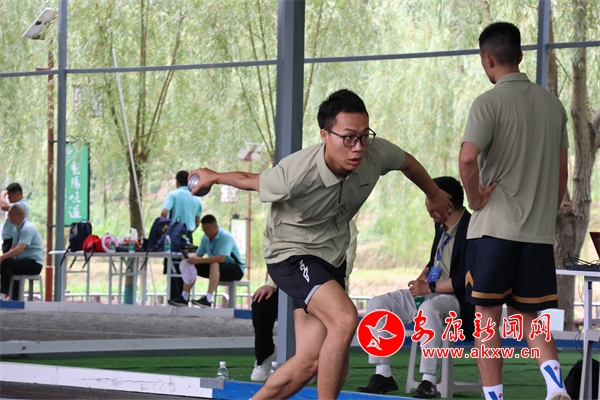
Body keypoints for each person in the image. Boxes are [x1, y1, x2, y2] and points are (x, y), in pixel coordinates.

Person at [189, 89, 453, 399]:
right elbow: (250, 179)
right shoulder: (295, 173)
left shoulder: (375, 152)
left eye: (364, 136)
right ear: (325, 135)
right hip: (291, 253)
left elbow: (407, 162)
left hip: (331, 256)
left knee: (309, 361)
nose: (358, 147)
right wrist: (213, 176)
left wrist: (434, 192)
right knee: (344, 318)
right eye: (348, 138)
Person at [459, 22, 570, 400]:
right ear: (521, 55)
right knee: (529, 318)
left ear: (487, 59)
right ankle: (555, 385)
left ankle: (494, 397)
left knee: (487, 320)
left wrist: (475, 199)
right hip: (537, 235)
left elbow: (467, 158)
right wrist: (545, 214)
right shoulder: (553, 106)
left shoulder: (488, 103)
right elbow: (562, 174)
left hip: (494, 232)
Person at [356, 176, 475, 398]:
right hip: (431, 291)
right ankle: (383, 374)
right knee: (378, 304)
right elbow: (437, 260)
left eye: (430, 197)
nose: (427, 207)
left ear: (447, 201)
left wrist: (430, 287)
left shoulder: (472, 227)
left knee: (428, 309)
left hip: (456, 300)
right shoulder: (441, 225)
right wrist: (424, 275)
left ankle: (428, 380)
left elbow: (468, 278)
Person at [250, 219, 359, 382]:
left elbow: (347, 260)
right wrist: (270, 284)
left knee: (327, 311)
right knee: (261, 303)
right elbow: (281, 253)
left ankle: (327, 362)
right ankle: (265, 356)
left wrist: (322, 284)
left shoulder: (345, 223)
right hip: (291, 277)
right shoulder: (296, 217)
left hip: (323, 282)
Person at [168, 214, 245, 307]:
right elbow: (198, 255)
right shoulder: (205, 238)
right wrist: (189, 257)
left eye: (208, 229)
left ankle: (208, 299)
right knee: (190, 263)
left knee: (214, 264)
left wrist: (199, 260)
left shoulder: (226, 237)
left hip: (236, 269)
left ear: (215, 227)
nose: (206, 232)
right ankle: (184, 297)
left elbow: (221, 258)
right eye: (204, 229)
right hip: (216, 269)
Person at [161, 171, 203, 300]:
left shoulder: (173, 194)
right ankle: (184, 298)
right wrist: (189, 231)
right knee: (186, 268)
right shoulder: (197, 198)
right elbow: (197, 222)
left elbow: (164, 213)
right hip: (188, 237)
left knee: (173, 268)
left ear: (177, 182)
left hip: (173, 236)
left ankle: (173, 299)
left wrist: (165, 228)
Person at [0, 204, 44, 300]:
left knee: (7, 263)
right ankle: (15, 298)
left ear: (15, 215)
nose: (8, 217)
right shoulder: (16, 229)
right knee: (7, 264)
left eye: (9, 215)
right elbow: (13, 249)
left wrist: (2, 258)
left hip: (34, 264)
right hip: (23, 261)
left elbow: (20, 249)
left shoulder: (27, 228)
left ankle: (3, 293)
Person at [0, 183, 30, 254]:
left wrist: (2, 194)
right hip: (10, 239)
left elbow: (4, 206)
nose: (8, 198)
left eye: (10, 196)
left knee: (8, 259)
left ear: (18, 194)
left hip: (13, 239)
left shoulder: (21, 205)